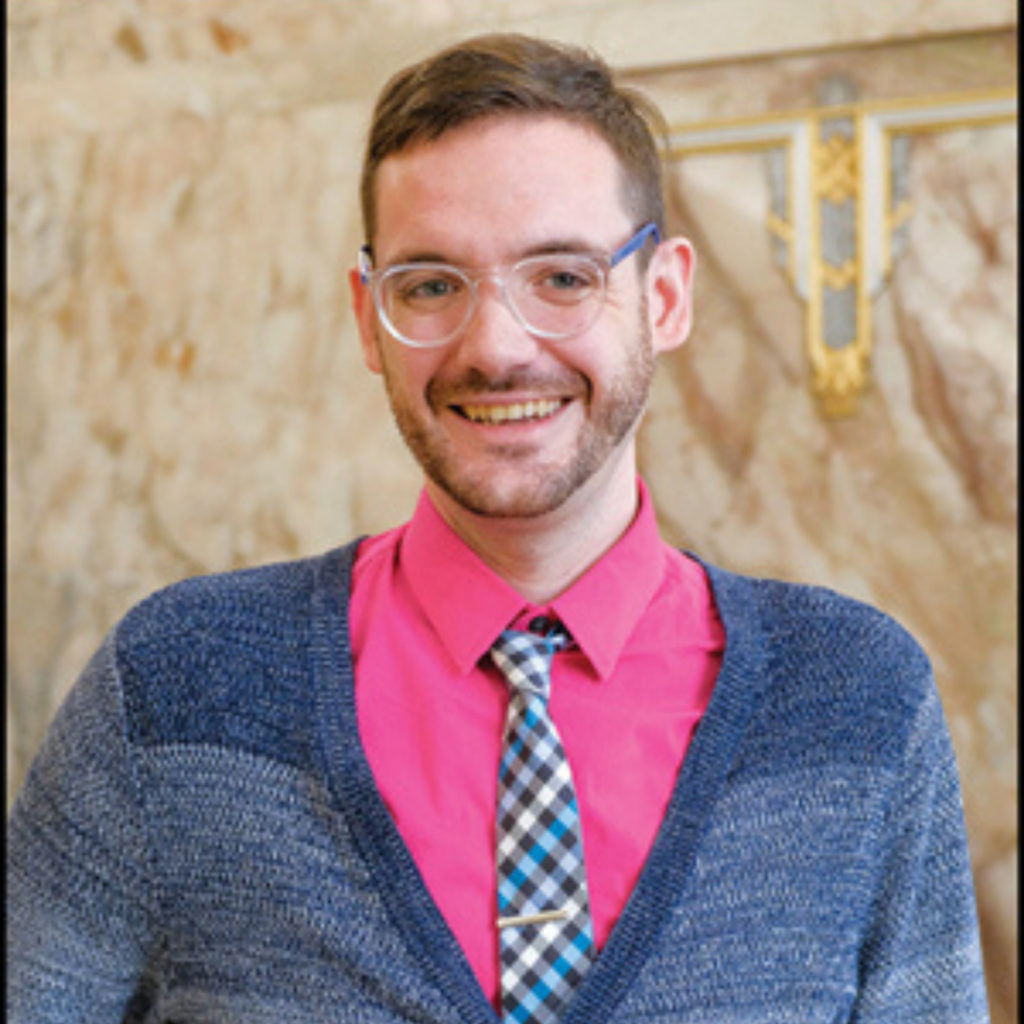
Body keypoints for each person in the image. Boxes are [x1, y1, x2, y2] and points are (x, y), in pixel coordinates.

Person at [7, 32, 989, 1024]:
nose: (496, 347)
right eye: (430, 285)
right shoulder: (176, 689)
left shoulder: (854, 702)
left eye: (561, 277)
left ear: (664, 296)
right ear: (366, 317)